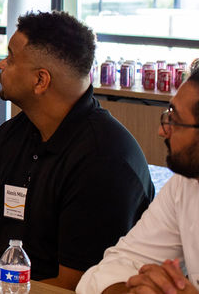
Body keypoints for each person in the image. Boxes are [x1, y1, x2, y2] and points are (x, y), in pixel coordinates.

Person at [0, 10, 154, 290]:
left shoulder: (104, 160)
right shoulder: (12, 135)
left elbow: (74, 284)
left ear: (40, 80)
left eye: (10, 58)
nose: (1, 64)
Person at [77, 68, 199, 294]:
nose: (162, 130)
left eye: (175, 120)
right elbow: (117, 263)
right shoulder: (184, 185)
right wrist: (130, 289)